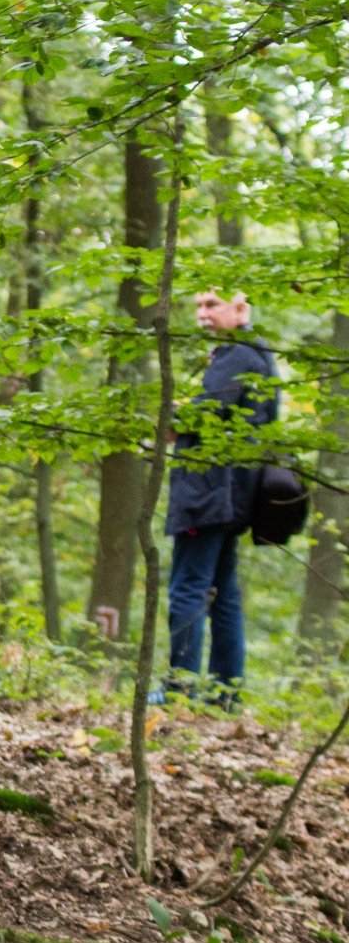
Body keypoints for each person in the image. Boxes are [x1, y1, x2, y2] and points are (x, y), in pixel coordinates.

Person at [157, 289, 279, 705]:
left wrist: (173, 416)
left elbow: (205, 414)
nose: (202, 314)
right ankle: (225, 694)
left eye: (212, 306)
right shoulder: (244, 354)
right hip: (226, 495)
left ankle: (180, 689)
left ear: (241, 308)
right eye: (197, 306)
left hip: (210, 494)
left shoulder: (241, 355)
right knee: (222, 593)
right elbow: (218, 412)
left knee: (188, 588)